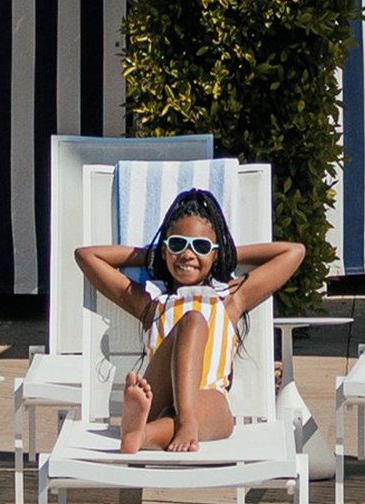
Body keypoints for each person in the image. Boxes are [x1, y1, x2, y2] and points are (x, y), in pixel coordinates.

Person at [75, 188, 303, 453]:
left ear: (215, 253)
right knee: (192, 320)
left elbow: (294, 252)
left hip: (208, 396)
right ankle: (185, 420)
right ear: (164, 251)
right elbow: (86, 255)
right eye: (177, 245)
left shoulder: (229, 300)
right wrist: (152, 254)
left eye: (201, 246)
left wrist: (226, 253)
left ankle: (141, 434)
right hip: (158, 392)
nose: (187, 254)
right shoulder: (153, 304)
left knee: (222, 420)